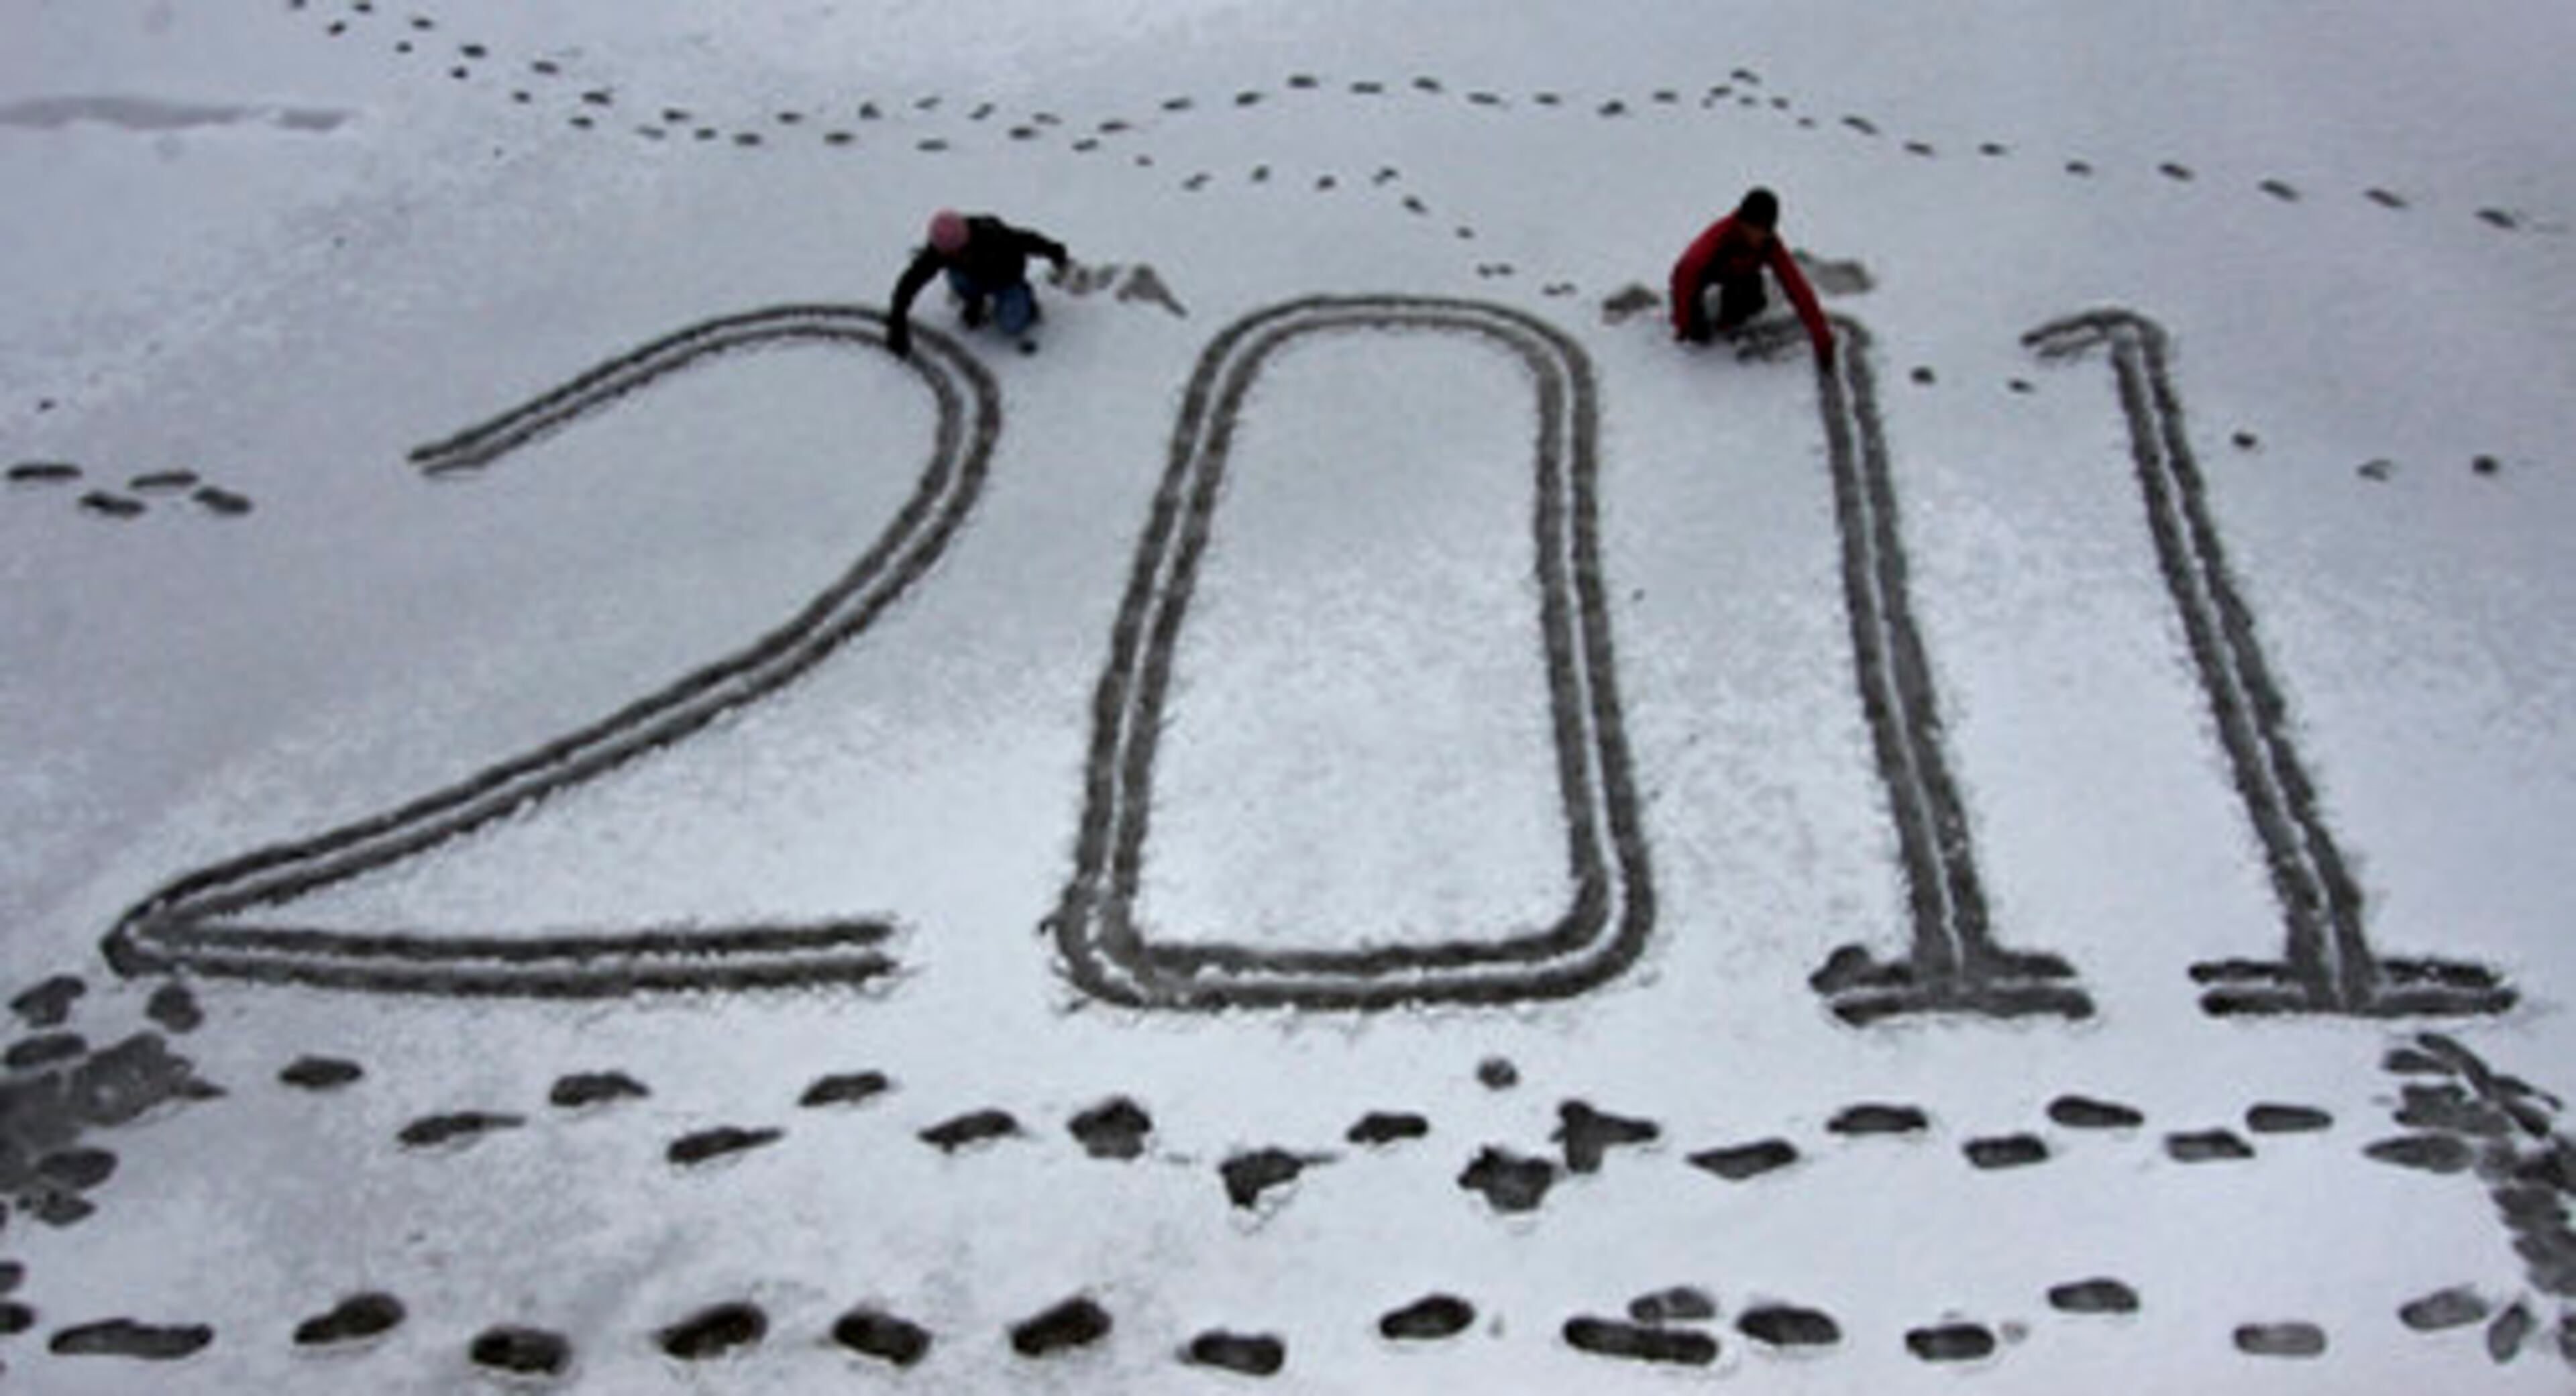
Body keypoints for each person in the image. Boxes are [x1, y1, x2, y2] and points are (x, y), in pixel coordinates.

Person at [1668, 187, 1834, 367]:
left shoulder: (1771, 245)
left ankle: (1729, 310)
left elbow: (1797, 288)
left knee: (1752, 303)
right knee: (1696, 335)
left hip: (1739, 275)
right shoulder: (1718, 237)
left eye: (1765, 231)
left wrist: (1822, 339)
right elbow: (1684, 274)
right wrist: (1683, 324)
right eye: (1754, 228)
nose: (1759, 236)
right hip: (1702, 276)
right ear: (1742, 222)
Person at [886, 209, 1071, 358]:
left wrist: (1054, 251)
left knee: (1011, 324)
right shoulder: (940, 249)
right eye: (946, 255)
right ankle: (975, 301)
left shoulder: (992, 235)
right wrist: (897, 323)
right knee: (958, 278)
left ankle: (1027, 304)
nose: (950, 257)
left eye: (955, 253)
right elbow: (910, 282)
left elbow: (1028, 240)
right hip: (973, 278)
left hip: (1006, 280)